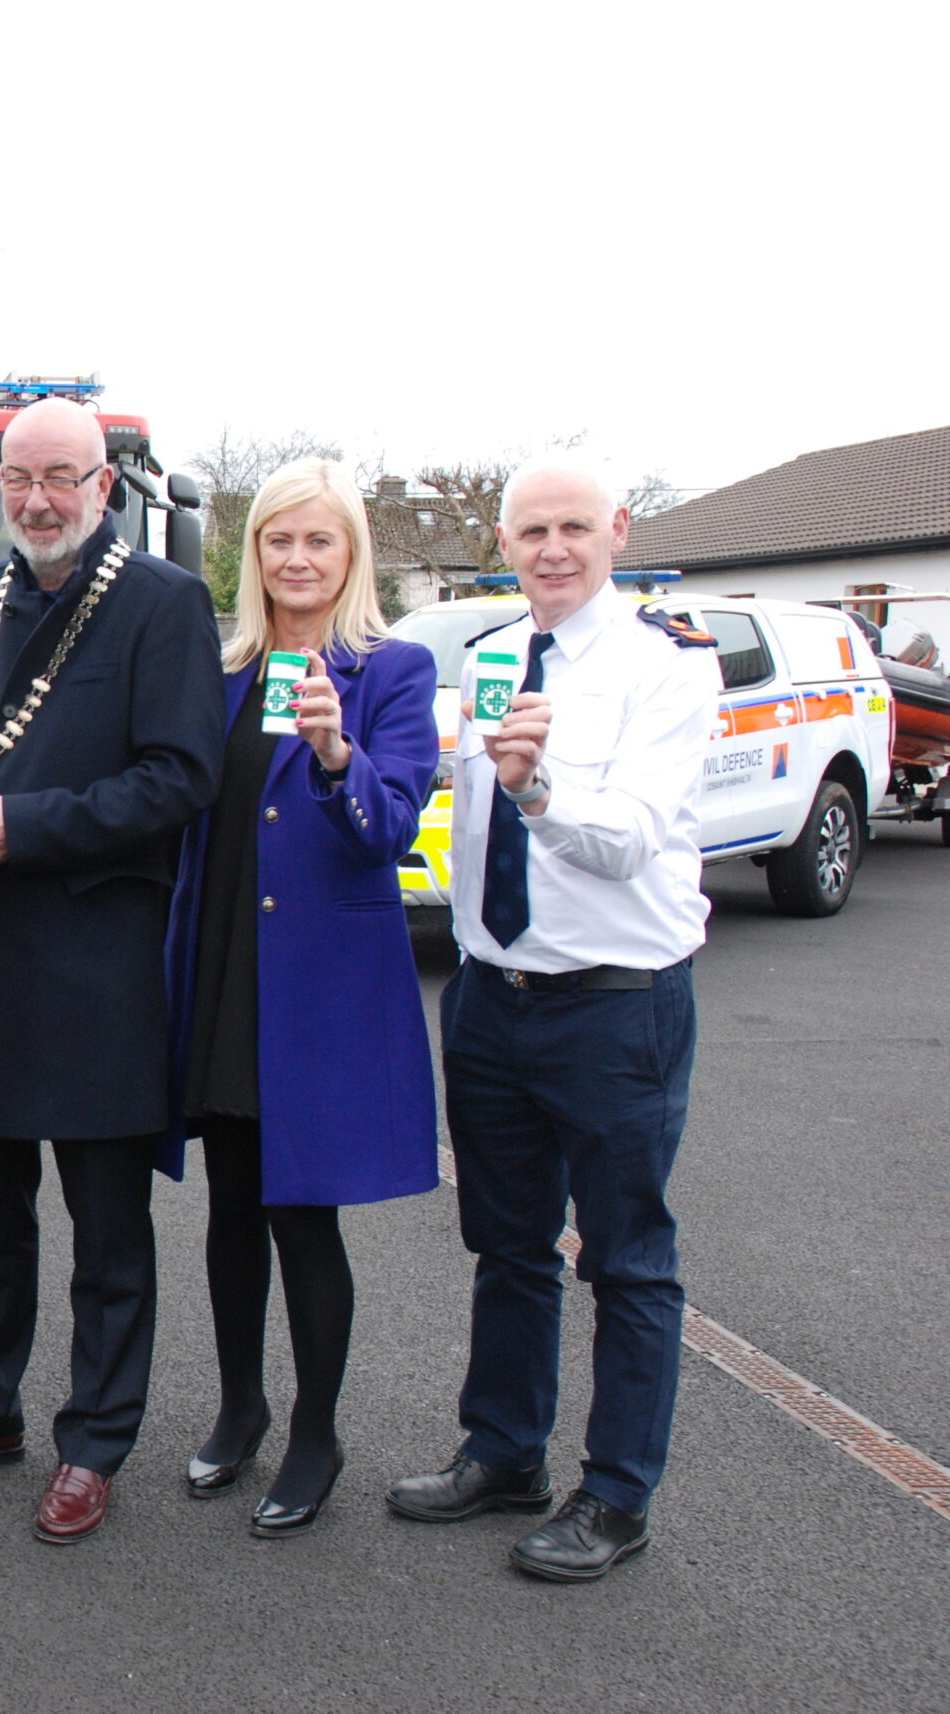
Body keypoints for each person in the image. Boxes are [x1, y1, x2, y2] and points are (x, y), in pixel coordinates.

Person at [0, 397, 223, 1545]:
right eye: (18, 479)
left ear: (106, 483)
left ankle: (93, 1441)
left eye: (61, 476)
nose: (37, 498)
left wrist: (19, 826)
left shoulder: (164, 604)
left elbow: (176, 779)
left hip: (95, 964)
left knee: (106, 1224)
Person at [388, 452, 716, 1582]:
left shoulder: (662, 673)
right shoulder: (485, 659)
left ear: (617, 528)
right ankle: (504, 1450)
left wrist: (538, 788)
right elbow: (446, 808)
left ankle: (617, 1495)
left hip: (614, 1008)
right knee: (507, 1243)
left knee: (627, 1258)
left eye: (574, 527)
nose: (553, 550)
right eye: (531, 532)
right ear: (506, 543)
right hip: (490, 997)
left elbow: (628, 839)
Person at [162, 458, 440, 1538]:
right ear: (254, 555)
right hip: (224, 964)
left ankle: (316, 1432)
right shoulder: (220, 668)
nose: (296, 559)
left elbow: (392, 827)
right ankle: (240, 1407)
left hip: (321, 989)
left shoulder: (391, 671)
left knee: (300, 1213)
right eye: (278, 540)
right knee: (231, 1207)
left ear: (350, 554)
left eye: (317, 541)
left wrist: (336, 751)